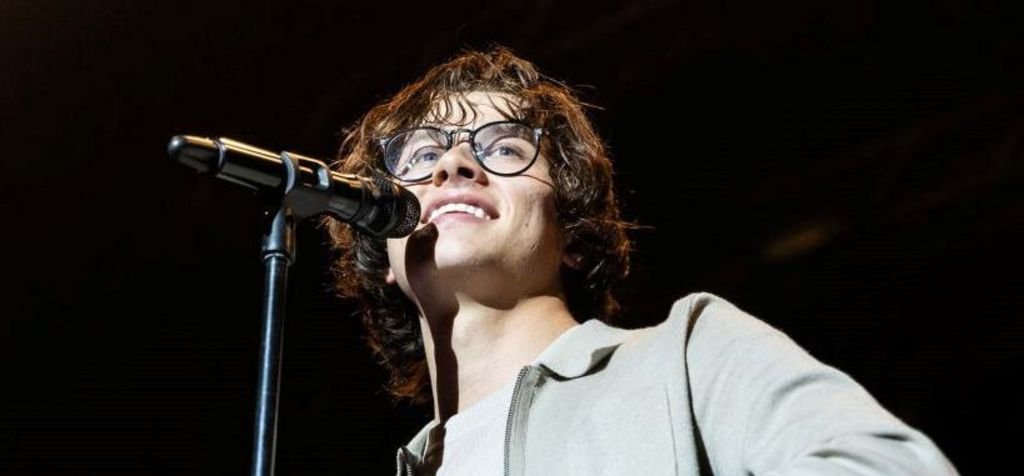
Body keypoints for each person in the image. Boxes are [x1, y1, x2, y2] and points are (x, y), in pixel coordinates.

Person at [324, 47, 957, 476]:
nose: (453, 164)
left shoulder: (687, 355)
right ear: (384, 250)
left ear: (573, 232)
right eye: (419, 155)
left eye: (504, 147)